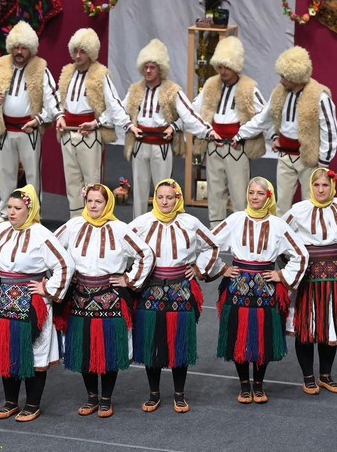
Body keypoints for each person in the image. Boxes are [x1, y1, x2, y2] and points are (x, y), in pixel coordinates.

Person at [199, 177, 307, 404]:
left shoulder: (278, 225)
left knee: (262, 336)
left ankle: (258, 384)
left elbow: (301, 253)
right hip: (238, 286)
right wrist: (221, 269)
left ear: (269, 196)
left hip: (267, 288)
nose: (255, 197)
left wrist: (282, 275)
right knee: (241, 336)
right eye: (251, 192)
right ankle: (244, 385)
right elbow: (209, 243)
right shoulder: (236, 219)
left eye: (260, 193)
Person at [0, 185, 73, 422]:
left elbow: (65, 264)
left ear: (29, 209)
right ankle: (10, 401)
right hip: (0, 300)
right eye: (9, 207)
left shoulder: (42, 235)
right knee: (5, 348)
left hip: (30, 303)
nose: (11, 212)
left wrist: (47, 288)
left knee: (33, 351)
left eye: (17, 208)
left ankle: (32, 404)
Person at [54, 184, 154, 418]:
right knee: (83, 349)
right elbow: (51, 248)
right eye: (89, 201)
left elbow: (145, 253)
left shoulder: (120, 229)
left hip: (109, 299)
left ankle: (106, 398)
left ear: (107, 203)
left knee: (108, 349)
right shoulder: (74, 225)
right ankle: (91, 397)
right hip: (79, 297)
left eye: (98, 202)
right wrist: (56, 280)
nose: (93, 206)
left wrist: (129, 279)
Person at [128, 179, 220, 413]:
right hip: (150, 289)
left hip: (181, 289)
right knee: (152, 341)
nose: (165, 201)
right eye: (160, 197)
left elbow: (212, 246)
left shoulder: (190, 222)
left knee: (180, 342)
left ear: (178, 198)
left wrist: (199, 268)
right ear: (155, 198)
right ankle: (154, 394)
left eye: (170, 197)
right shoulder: (142, 222)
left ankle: (179, 394)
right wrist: (128, 276)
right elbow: (120, 244)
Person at [233, 46, 337, 215]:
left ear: (296, 76)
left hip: (308, 159)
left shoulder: (320, 96)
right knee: (281, 204)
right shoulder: (280, 93)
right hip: (284, 156)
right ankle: (282, 238)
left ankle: (309, 240)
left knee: (311, 204)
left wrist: (324, 164)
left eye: (285, 77)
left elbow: (329, 131)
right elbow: (265, 118)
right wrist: (241, 134)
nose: (281, 81)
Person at [284, 168, 337, 395]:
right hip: (309, 275)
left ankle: (326, 375)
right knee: (307, 326)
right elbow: (282, 234)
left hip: (336, 275)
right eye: (316, 185)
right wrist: (293, 264)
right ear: (310, 186)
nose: (320, 190)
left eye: (325, 185)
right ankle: (308, 377)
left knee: (331, 325)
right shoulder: (299, 210)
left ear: (332, 187)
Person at [124, 39, 218, 219]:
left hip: (161, 146)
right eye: (146, 67)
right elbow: (119, 110)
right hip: (139, 143)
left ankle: (163, 225)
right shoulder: (135, 89)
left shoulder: (171, 90)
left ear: (160, 68)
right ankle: (137, 229)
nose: (148, 71)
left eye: (152, 67)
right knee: (139, 189)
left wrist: (206, 131)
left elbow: (189, 114)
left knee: (164, 190)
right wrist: (127, 125)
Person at [0, 20, 61, 228]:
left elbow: (53, 101)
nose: (19, 51)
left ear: (31, 48)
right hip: (6, 128)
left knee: (32, 173)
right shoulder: (2, 65)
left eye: (23, 47)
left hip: (29, 129)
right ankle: (4, 213)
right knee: (6, 172)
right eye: (16, 47)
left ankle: (33, 213)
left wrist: (38, 120)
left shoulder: (40, 68)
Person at [56, 28, 141, 218]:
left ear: (91, 52)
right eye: (76, 51)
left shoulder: (100, 74)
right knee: (72, 181)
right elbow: (57, 100)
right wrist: (59, 117)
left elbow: (114, 104)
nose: (78, 55)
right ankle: (75, 221)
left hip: (89, 135)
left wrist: (120, 125)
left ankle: (94, 220)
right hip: (67, 134)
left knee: (92, 181)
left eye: (83, 51)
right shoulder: (67, 73)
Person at [191, 36, 267, 228]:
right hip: (214, 145)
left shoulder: (249, 88)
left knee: (239, 191)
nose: (223, 71)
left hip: (235, 146)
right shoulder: (211, 85)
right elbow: (194, 109)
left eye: (227, 67)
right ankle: (216, 230)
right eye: (220, 66)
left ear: (236, 66)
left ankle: (241, 229)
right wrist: (207, 131)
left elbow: (264, 116)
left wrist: (243, 133)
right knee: (214, 190)